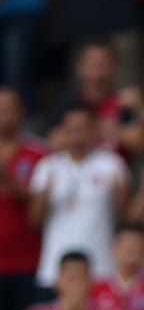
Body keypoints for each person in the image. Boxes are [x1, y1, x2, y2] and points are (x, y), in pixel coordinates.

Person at [27, 103, 131, 294]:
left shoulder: (112, 164)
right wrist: (44, 194)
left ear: (95, 130)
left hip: (100, 267)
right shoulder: (48, 166)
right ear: (62, 131)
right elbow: (34, 220)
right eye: (71, 128)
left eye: (83, 128)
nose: (77, 134)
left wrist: (119, 193)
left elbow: (126, 219)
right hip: (55, 269)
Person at [0, 85, 46, 310]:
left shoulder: (38, 153)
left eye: (10, 108)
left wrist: (11, 182)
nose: (5, 115)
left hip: (30, 263)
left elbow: (39, 212)